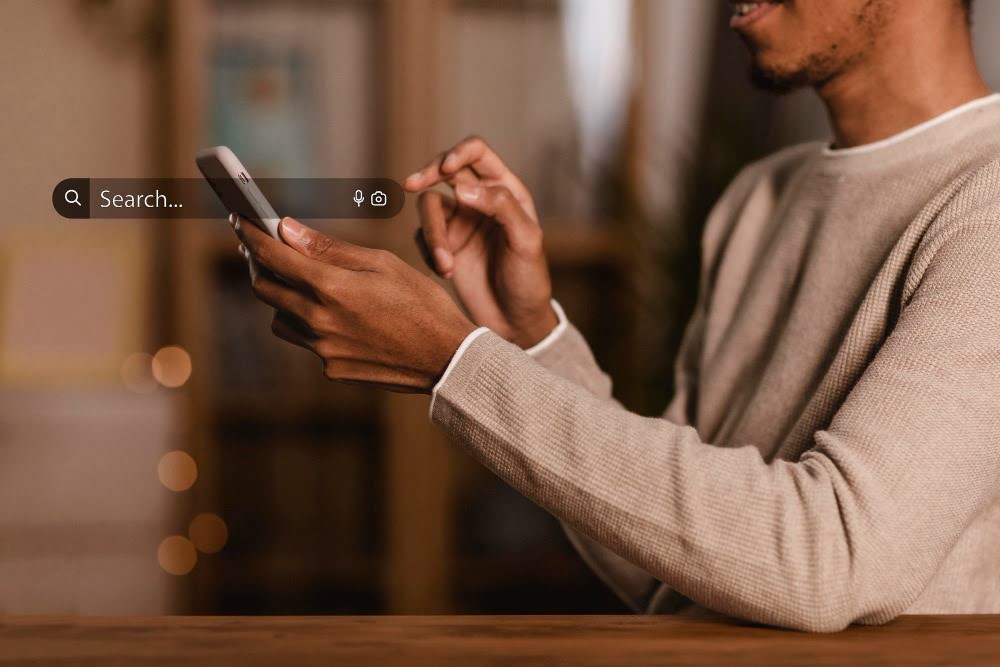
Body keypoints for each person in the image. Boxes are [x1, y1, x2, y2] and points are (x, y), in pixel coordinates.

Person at [231, 0, 1000, 631]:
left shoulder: (986, 201)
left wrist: (456, 362)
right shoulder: (759, 200)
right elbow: (674, 559)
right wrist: (530, 338)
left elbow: (830, 557)